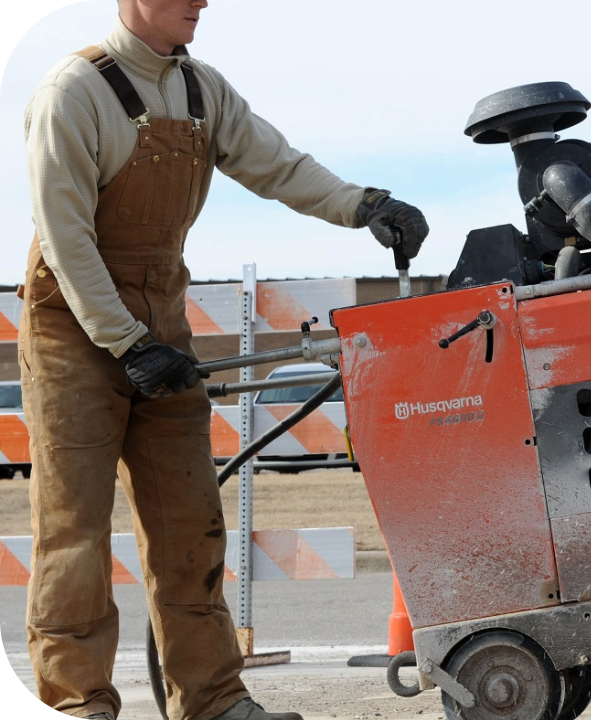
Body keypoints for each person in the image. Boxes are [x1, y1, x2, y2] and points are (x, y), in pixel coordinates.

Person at [18, 2, 428, 719]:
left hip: (161, 325)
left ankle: (212, 701)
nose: (203, 1)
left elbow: (278, 165)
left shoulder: (202, 91)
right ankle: (78, 702)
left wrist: (364, 205)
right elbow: (65, 237)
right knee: (73, 531)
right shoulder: (71, 94)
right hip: (74, 336)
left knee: (190, 522)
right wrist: (126, 341)